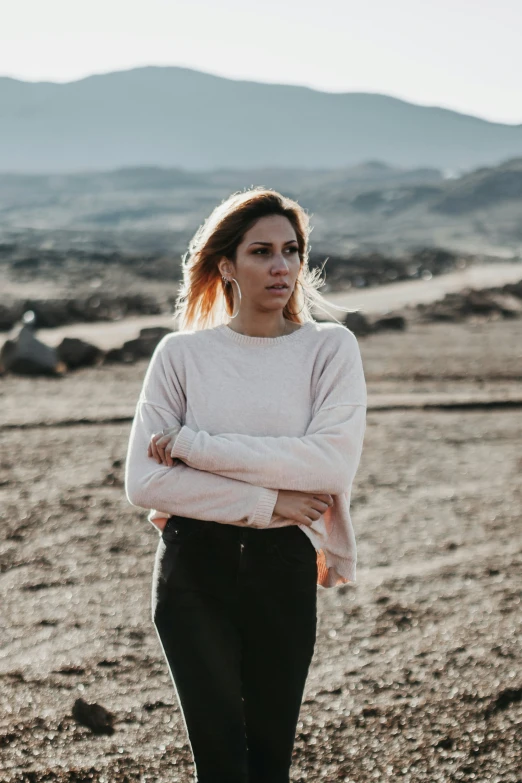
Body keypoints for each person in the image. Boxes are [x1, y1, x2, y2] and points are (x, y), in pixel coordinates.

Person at [124, 187, 367, 783]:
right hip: (192, 566)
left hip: (282, 565)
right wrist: (269, 501)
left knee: (268, 761)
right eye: (261, 251)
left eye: (291, 251)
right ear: (227, 266)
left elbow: (328, 467)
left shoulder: (330, 348)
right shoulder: (181, 355)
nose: (281, 266)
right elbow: (145, 480)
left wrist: (194, 446)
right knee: (221, 764)